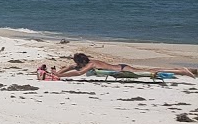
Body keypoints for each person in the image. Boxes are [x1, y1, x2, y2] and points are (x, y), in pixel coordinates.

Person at [53, 52, 196, 79]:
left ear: (81, 62)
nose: (75, 64)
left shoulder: (91, 64)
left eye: (76, 62)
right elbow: (71, 67)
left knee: (151, 70)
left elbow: (79, 73)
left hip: (122, 69)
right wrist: (58, 72)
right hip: (120, 67)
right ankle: (182, 70)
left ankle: (181, 71)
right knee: (150, 69)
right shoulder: (87, 63)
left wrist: (60, 75)